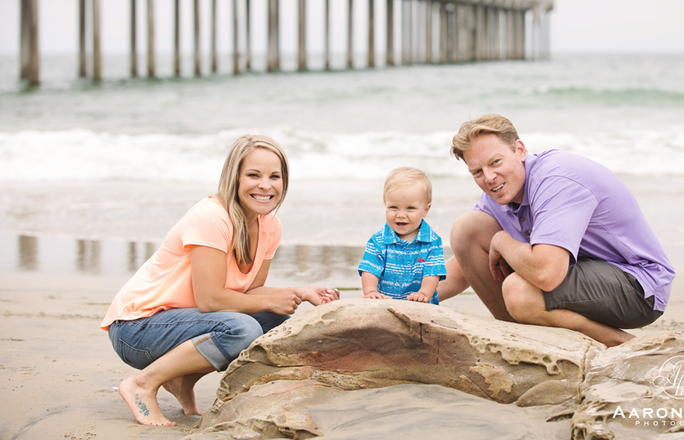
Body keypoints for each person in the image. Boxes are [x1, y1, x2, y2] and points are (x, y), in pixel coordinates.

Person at [101, 135, 339, 426]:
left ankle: (181, 380)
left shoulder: (270, 225)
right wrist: (270, 301)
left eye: (274, 176)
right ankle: (142, 384)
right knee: (242, 328)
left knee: (273, 321)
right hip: (136, 329)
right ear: (234, 178)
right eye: (253, 175)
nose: (266, 185)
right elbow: (210, 299)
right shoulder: (212, 217)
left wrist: (301, 292)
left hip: (182, 322)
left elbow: (251, 291)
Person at [437, 114, 674, 346]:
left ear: (520, 150)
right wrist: (417, 294)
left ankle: (620, 343)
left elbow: (546, 274)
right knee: (467, 228)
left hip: (640, 287)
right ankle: (519, 337)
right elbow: (465, 263)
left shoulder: (556, 178)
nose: (489, 177)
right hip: (580, 276)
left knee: (519, 292)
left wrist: (501, 241)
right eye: (477, 172)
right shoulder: (501, 191)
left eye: (495, 162)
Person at [359, 167, 447, 304]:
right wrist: (371, 291)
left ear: (425, 210)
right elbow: (369, 269)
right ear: (385, 205)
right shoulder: (378, 241)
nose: (400, 215)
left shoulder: (432, 242)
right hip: (385, 303)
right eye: (393, 207)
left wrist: (423, 293)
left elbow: (432, 272)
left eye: (410, 208)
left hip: (420, 305)